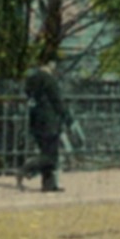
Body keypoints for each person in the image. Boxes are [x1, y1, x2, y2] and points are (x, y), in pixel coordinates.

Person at [18, 63, 77, 192]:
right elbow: (57, 101)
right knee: (51, 156)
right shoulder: (49, 79)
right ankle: (29, 167)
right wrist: (69, 119)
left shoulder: (31, 79)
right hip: (49, 120)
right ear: (50, 64)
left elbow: (30, 97)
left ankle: (48, 184)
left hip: (36, 120)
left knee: (46, 151)